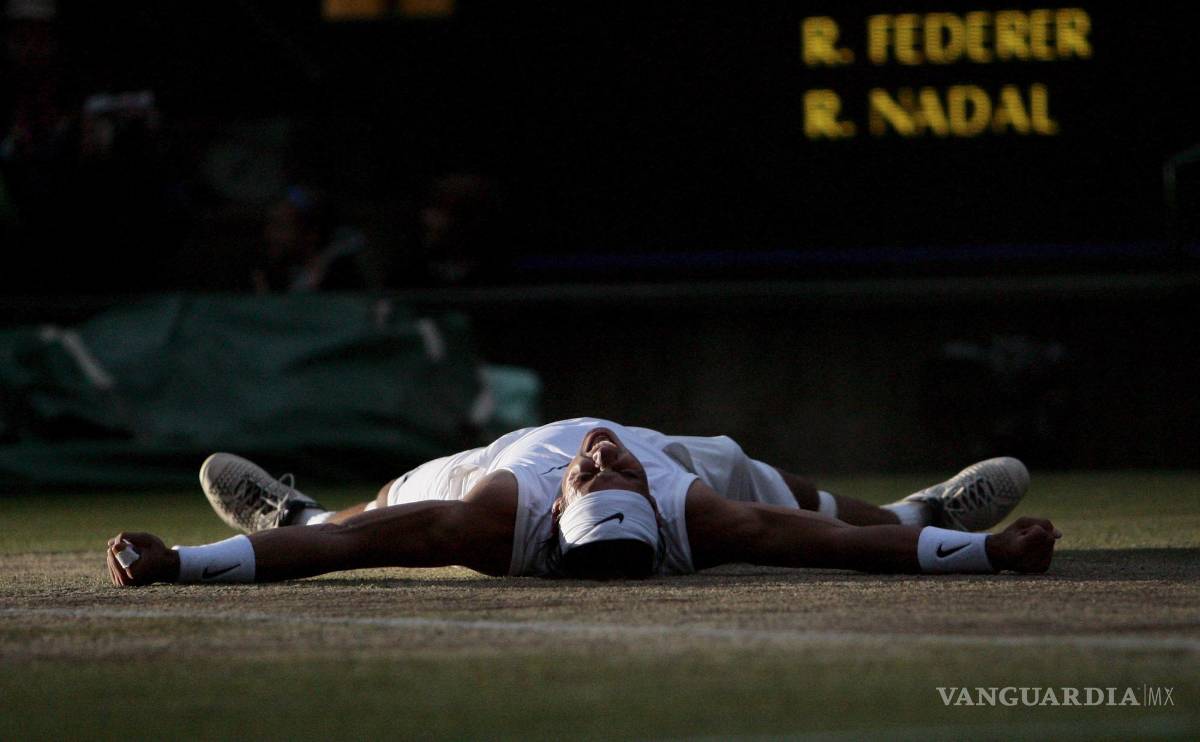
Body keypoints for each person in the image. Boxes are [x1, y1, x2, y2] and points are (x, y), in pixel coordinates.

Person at [105, 417, 1061, 586]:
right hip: (681, 476)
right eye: (616, 473)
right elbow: (824, 546)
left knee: (357, 524)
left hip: (499, 464)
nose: (603, 456)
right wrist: (990, 555)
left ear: (561, 504)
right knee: (773, 488)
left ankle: (294, 509)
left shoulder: (498, 515)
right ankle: (916, 514)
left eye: (597, 474)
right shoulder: (693, 510)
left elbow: (346, 560)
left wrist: (182, 564)